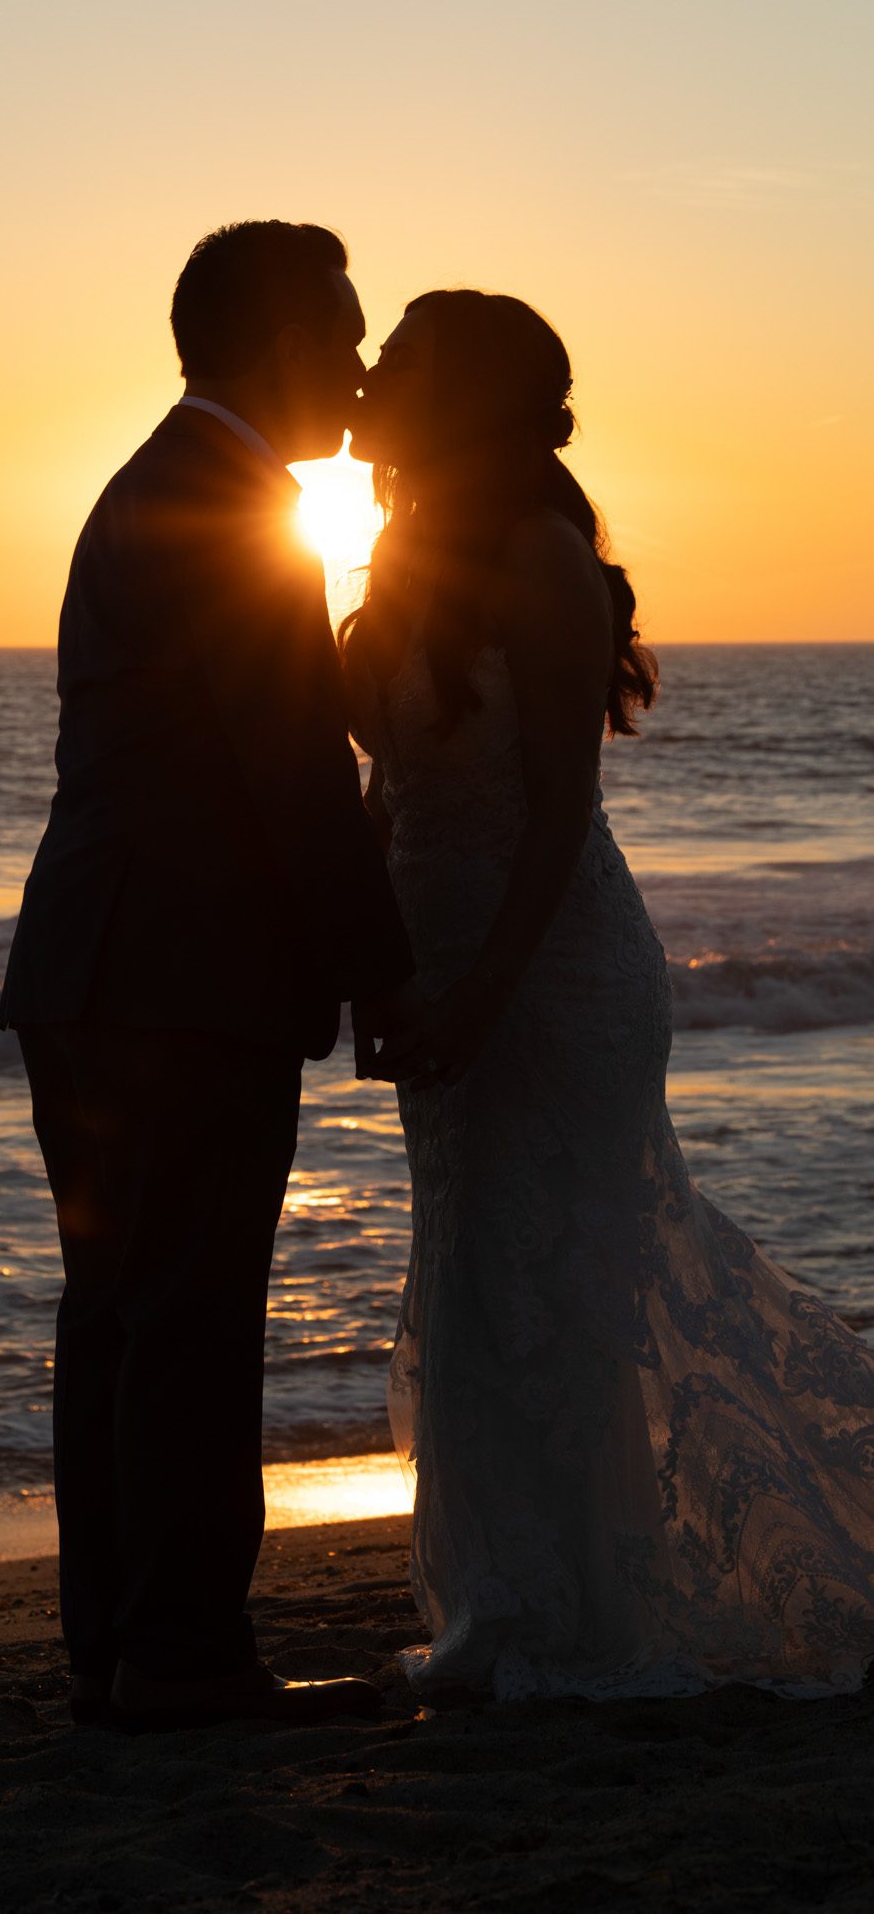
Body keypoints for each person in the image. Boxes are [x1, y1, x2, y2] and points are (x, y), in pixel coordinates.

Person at [344, 288, 874, 1703]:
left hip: (555, 976)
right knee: (466, 1290)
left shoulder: (540, 560)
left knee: (556, 1296)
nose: (373, 370)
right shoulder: (402, 554)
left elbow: (556, 819)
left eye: (398, 354)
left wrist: (477, 996)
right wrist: (382, 967)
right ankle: (494, 1604)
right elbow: (385, 784)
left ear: (457, 397)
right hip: (446, 968)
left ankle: (572, 1621)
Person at [0, 221, 426, 1727]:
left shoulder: (158, 483)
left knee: (117, 1311)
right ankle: (180, 1657)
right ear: (275, 342)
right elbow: (292, 773)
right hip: (179, 977)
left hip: (93, 963)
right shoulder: (224, 502)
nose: (362, 365)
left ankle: (116, 1644)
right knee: (183, 1314)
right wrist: (393, 976)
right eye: (346, 334)